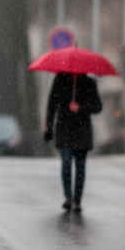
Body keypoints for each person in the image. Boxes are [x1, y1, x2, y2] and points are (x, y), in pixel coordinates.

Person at [44, 71, 103, 212]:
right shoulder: (60, 81)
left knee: (80, 167)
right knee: (66, 162)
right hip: (64, 129)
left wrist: (81, 108)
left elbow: (98, 107)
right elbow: (52, 105)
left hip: (82, 131)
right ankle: (68, 197)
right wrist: (48, 126)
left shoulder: (89, 83)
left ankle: (77, 200)